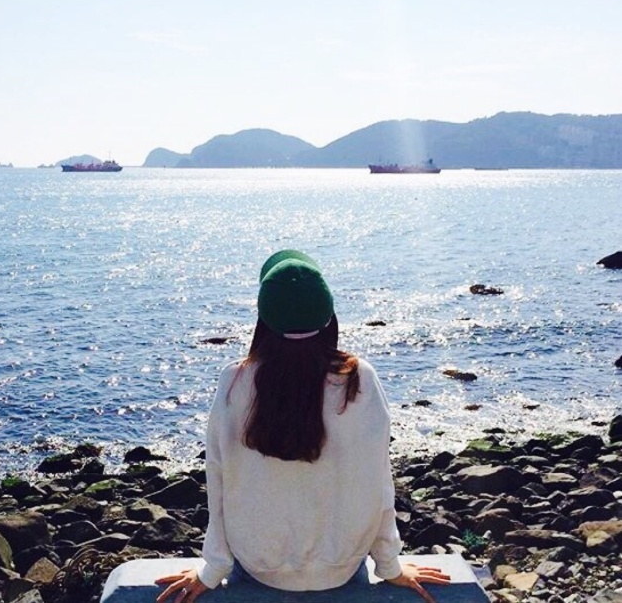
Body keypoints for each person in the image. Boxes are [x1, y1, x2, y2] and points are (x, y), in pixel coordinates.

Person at [156, 250, 450, 603]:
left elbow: (218, 478)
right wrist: (389, 566)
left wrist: (212, 569)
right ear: (329, 316)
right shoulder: (358, 379)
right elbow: (378, 481)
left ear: (264, 318)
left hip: (259, 565)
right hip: (341, 566)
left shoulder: (235, 381)